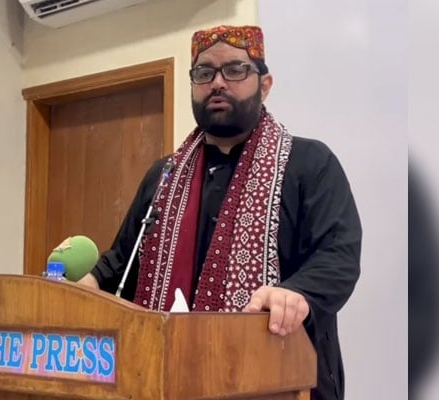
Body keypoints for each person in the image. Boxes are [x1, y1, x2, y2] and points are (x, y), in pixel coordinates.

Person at [77, 25, 362, 400]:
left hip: (284, 375)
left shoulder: (309, 163)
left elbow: (337, 256)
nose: (217, 83)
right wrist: (87, 285)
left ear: (265, 84)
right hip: (167, 378)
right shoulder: (164, 175)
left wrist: (295, 294)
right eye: (204, 72)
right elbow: (124, 258)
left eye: (235, 70)